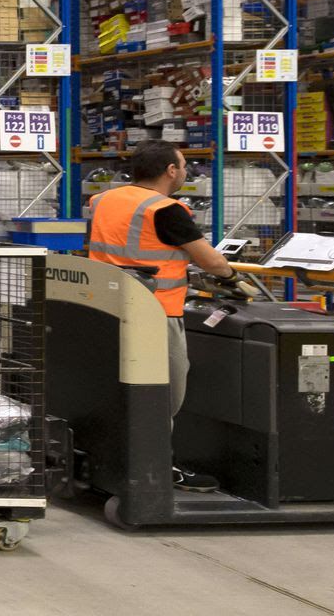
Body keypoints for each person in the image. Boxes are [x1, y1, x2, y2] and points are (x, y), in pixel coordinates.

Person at [85, 140, 239, 492]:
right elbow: (212, 261)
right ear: (171, 171)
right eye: (183, 166)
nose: (185, 171)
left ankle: (111, 459)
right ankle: (157, 469)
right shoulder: (166, 210)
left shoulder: (103, 200)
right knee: (163, 395)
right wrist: (233, 278)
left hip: (107, 306)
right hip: (158, 314)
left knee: (117, 389)